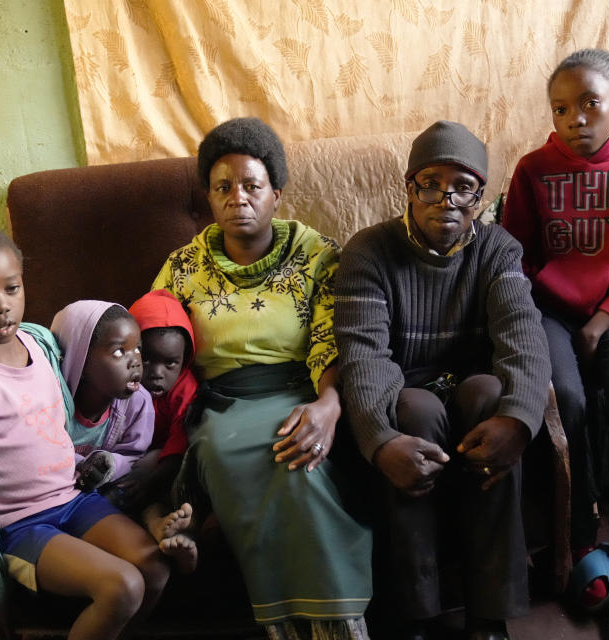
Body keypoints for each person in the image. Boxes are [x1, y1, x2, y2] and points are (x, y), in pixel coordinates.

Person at [151, 117, 373, 639]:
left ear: (276, 192)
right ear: (208, 197)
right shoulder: (184, 265)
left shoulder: (316, 254)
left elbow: (331, 337)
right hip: (220, 407)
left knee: (299, 461)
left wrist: (329, 406)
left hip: (301, 393)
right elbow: (159, 337)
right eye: (223, 187)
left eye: (252, 186)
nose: (238, 198)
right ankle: (285, 629)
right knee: (231, 454)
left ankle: (340, 626)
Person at [334, 120, 552, 640]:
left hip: (471, 391)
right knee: (415, 409)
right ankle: (416, 613)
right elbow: (364, 356)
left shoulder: (498, 250)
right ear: (409, 189)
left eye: (463, 186)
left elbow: (522, 335)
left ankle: (488, 610)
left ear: (480, 196)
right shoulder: (368, 251)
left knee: (491, 394)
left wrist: (519, 423)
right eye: (431, 182)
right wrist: (380, 442)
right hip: (405, 393)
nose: (446, 199)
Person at [0, 224, 170, 640]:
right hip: (20, 526)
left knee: (155, 568)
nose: (0, 305)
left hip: (74, 500)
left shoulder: (40, 342)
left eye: (11, 288)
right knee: (123, 586)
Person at [502, 48, 609, 613]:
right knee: (566, 400)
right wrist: (546, 315)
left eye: (589, 104)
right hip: (549, 311)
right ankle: (579, 541)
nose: (575, 119)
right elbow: (516, 259)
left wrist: (602, 321)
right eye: (560, 109)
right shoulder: (532, 169)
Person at [126, 289, 201, 568]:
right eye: (147, 359)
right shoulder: (122, 380)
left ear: (185, 359)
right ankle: (158, 526)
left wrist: (150, 480)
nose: (157, 373)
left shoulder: (184, 388)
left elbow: (180, 443)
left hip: (164, 468)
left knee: (168, 484)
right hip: (127, 461)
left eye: (170, 363)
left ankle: (184, 531)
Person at [50, 301, 155, 495]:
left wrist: (111, 464)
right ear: (78, 359)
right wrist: (84, 465)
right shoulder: (50, 401)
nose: (135, 362)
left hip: (100, 492)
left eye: (138, 349)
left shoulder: (139, 402)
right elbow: (45, 452)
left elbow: (133, 455)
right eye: (119, 352)